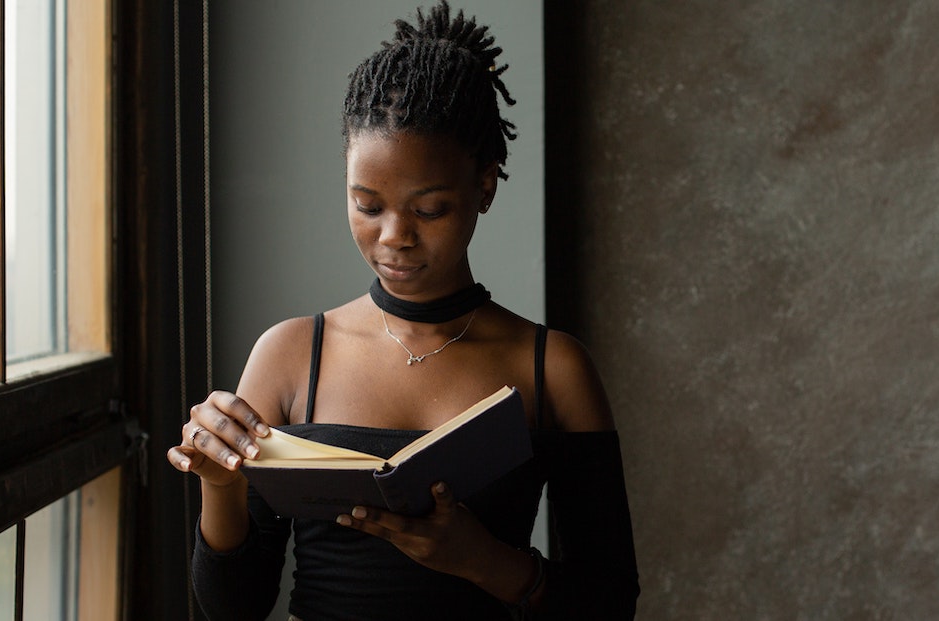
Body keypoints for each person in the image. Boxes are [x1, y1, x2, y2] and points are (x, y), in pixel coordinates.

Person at [166, 2, 639, 619]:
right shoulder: (289, 356)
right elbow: (231, 609)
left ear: (486, 187)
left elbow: (609, 605)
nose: (394, 236)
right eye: (367, 205)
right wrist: (220, 485)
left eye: (430, 209)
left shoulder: (553, 369)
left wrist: (483, 560)